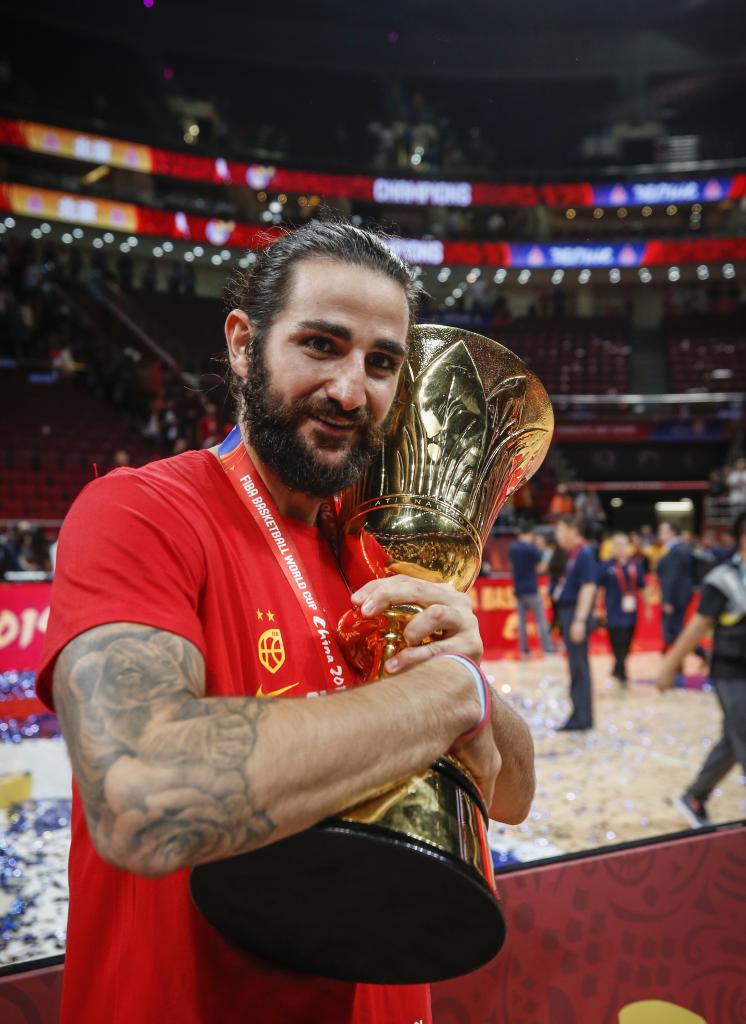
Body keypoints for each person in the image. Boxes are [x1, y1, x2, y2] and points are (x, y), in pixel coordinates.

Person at [36, 221, 535, 1024]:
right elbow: (142, 798)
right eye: (320, 345)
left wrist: (475, 695)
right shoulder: (140, 513)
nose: (350, 390)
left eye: (382, 363)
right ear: (243, 344)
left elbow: (511, 793)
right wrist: (438, 702)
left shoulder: (378, 550)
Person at [657, 511, 746, 828]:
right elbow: (696, 627)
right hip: (730, 673)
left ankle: (695, 797)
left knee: (732, 740)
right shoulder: (722, 580)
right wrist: (669, 667)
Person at [553, 515, 597, 730]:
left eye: (560, 530)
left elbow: (589, 587)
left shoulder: (585, 553)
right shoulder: (574, 554)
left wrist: (579, 619)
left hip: (575, 614)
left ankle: (583, 718)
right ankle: (578, 714)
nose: (557, 536)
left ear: (572, 530)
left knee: (579, 667)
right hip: (568, 613)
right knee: (575, 666)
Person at [597, 532, 647, 687]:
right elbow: (600, 589)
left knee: (627, 640)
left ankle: (618, 667)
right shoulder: (606, 566)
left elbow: (642, 586)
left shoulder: (635, 565)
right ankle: (622, 670)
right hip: (612, 610)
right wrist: (598, 608)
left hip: (630, 611)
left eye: (623, 544)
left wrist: (648, 606)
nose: (620, 548)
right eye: (617, 545)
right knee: (616, 640)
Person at [508, 526, 553, 657]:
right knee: (541, 620)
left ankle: (524, 649)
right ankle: (547, 647)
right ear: (529, 534)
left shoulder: (512, 548)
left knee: (522, 622)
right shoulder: (530, 548)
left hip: (518, 588)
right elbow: (541, 565)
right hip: (531, 589)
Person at [657, 521, 695, 650]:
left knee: (673, 630)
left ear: (672, 532)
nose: (660, 534)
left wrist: (668, 600)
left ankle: (698, 652)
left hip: (675, 598)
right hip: (679, 597)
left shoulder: (677, 550)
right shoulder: (679, 548)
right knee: (674, 630)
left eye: (662, 531)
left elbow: (671, 577)